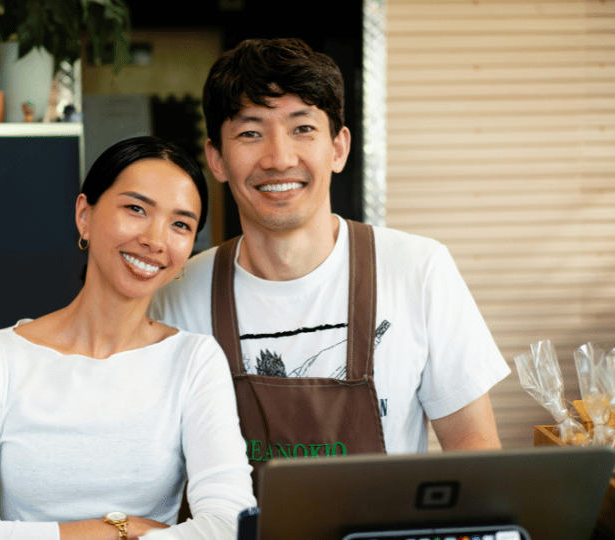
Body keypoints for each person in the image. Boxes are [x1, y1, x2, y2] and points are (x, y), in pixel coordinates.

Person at [149, 38, 511, 474]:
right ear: (217, 160)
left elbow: (473, 442)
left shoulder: (418, 268)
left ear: (338, 148)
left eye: (302, 128)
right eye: (250, 133)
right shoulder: (178, 294)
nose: (279, 158)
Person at [0, 137, 256, 540]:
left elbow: (231, 527)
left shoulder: (195, 360)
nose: (155, 239)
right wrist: (115, 529)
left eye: (180, 224)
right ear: (85, 215)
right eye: (136, 209)